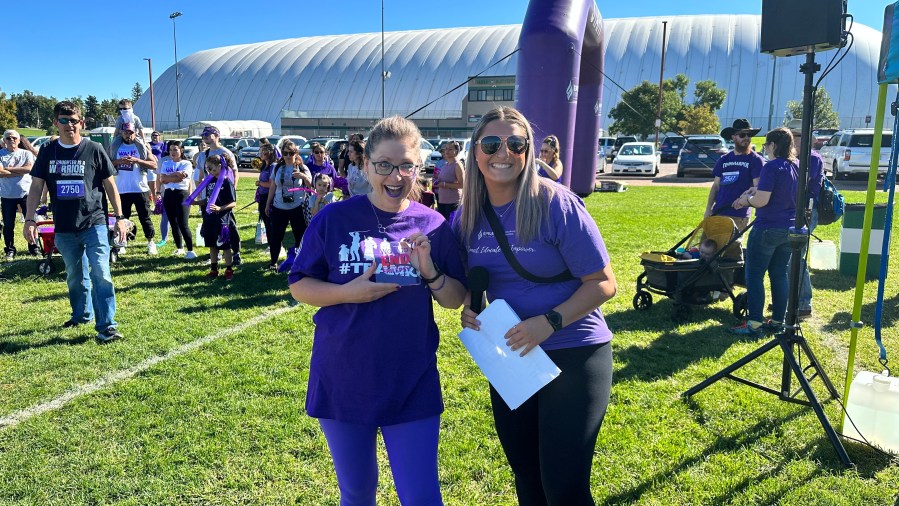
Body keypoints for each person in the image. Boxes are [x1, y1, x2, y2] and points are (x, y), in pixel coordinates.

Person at [288, 116, 466, 506]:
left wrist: (431, 270)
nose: (396, 175)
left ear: (418, 168)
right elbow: (300, 284)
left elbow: (456, 299)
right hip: (343, 376)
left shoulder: (433, 225)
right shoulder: (333, 219)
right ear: (365, 165)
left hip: (411, 378)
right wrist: (348, 293)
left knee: (421, 496)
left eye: (406, 165)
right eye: (384, 164)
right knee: (357, 492)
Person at [458, 106, 617, 505]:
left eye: (516, 144)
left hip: (574, 350)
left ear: (529, 151)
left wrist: (549, 322)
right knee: (527, 478)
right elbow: (461, 282)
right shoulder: (466, 217)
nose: (503, 153)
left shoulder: (556, 204)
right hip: (512, 357)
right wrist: (469, 306)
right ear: (476, 152)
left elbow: (604, 283)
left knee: (563, 486)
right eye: (492, 144)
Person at [23, 100, 128, 344]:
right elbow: (36, 186)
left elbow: (109, 185)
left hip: (95, 222)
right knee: (75, 274)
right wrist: (30, 219)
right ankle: (81, 315)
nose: (69, 125)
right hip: (64, 226)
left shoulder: (93, 148)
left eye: (74, 120)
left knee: (101, 273)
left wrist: (120, 217)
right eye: (64, 120)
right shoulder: (48, 152)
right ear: (55, 122)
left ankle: (107, 327)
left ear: (81, 122)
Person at [729, 127, 798, 337]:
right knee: (779, 275)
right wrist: (755, 191)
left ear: (774, 146)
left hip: (767, 227)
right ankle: (778, 320)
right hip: (789, 229)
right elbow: (776, 193)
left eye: (766, 145)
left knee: (754, 275)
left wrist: (745, 200)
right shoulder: (794, 166)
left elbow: (762, 201)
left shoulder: (771, 167)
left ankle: (755, 323)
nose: (765, 149)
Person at [706, 119, 764, 230]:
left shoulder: (756, 160)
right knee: (710, 245)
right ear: (733, 137)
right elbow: (716, 186)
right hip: (718, 211)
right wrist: (708, 209)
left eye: (749, 135)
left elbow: (758, 188)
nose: (746, 138)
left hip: (739, 215)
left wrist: (746, 200)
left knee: (732, 247)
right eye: (742, 135)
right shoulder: (724, 159)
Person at [196, 126, 242, 265]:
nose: (205, 137)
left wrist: (231, 191)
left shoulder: (225, 152)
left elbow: (235, 173)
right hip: (209, 197)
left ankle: (236, 253)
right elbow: (201, 176)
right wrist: (198, 195)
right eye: (203, 135)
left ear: (216, 135)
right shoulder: (203, 155)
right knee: (210, 227)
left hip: (223, 198)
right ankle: (215, 254)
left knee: (229, 226)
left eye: (208, 134)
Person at [111, 123, 158, 255]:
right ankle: (122, 243)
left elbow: (154, 165)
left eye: (130, 132)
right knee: (122, 218)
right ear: (121, 133)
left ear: (135, 132)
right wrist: (119, 161)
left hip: (140, 188)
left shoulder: (141, 146)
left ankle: (150, 242)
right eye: (125, 132)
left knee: (145, 217)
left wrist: (137, 161)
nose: (128, 135)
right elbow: (107, 164)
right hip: (122, 189)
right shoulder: (115, 147)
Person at [265, 142, 311, 271]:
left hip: (297, 207)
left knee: (300, 236)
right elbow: (273, 186)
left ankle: (299, 262)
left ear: (296, 153)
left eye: (291, 153)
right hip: (279, 206)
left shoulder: (302, 167)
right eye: (285, 153)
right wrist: (268, 203)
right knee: (276, 236)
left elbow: (311, 186)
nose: (288, 156)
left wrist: (303, 176)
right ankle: (273, 262)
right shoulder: (277, 167)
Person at [793, 129, 824, 320]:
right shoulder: (794, 158)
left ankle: (804, 303)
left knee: (797, 257)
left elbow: (801, 182)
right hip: (795, 211)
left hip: (807, 212)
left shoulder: (812, 157)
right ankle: (791, 300)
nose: (793, 140)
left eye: (797, 136)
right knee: (790, 258)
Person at [0, 130, 39, 259]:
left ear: (18, 140)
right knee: (8, 225)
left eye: (14, 138)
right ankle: (10, 250)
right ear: (4, 141)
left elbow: (29, 169)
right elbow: (0, 172)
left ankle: (34, 247)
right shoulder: (0, 154)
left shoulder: (26, 153)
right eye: (8, 138)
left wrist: (9, 169)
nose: (11, 140)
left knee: (31, 221)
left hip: (26, 194)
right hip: (7, 195)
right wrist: (20, 170)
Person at [198, 154, 237, 280]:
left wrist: (220, 208)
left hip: (222, 220)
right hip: (210, 219)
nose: (209, 171)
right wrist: (195, 202)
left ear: (220, 166)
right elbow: (208, 200)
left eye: (212, 168)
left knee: (225, 246)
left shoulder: (226, 181)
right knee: (212, 245)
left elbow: (233, 202)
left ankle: (229, 269)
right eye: (207, 168)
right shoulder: (210, 181)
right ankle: (214, 269)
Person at [157, 141, 196, 259]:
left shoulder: (186, 163)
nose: (173, 152)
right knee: (173, 223)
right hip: (169, 194)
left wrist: (171, 177)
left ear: (181, 151)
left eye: (175, 150)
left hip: (182, 194)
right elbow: (162, 179)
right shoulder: (165, 163)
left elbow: (182, 178)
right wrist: (175, 175)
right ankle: (179, 248)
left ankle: (190, 250)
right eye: (171, 150)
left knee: (183, 223)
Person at [432, 139, 463, 221]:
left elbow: (462, 185)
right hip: (442, 201)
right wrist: (436, 181)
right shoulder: (446, 165)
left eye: (450, 149)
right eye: (446, 149)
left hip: (452, 202)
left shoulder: (457, 165)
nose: (447, 151)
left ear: (456, 151)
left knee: (452, 226)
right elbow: (441, 180)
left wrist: (444, 184)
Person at [254, 142, 277, 254]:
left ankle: (275, 246)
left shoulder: (273, 166)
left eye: (263, 152)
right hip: (262, 197)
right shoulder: (265, 166)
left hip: (269, 197)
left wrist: (259, 183)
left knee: (270, 223)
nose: (261, 154)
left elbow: (271, 184)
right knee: (266, 222)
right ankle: (270, 245)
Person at [149, 131, 169, 247]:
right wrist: (158, 192)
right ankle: (163, 239)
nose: (154, 137)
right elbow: (159, 177)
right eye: (153, 135)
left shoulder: (184, 162)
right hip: (158, 174)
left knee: (179, 219)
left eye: (156, 135)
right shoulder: (163, 161)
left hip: (178, 192)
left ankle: (182, 244)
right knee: (165, 215)